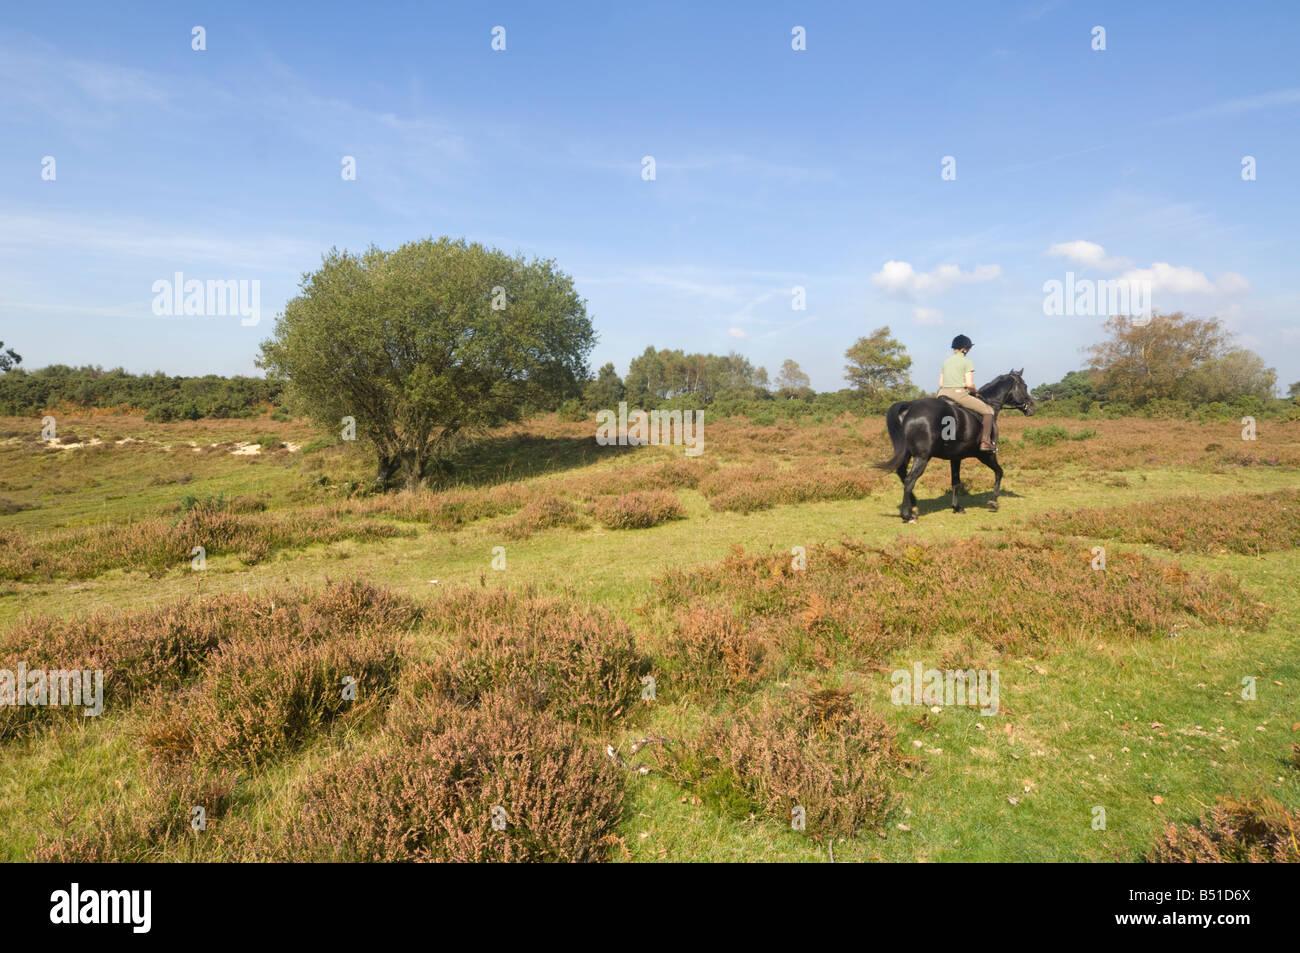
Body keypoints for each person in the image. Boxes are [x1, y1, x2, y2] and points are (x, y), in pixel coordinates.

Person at [938, 334, 996, 452]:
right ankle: (985, 442)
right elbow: (969, 384)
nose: (968, 351)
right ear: (964, 349)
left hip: (941, 393)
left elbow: (940, 383)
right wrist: (976, 392)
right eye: (968, 348)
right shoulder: (967, 361)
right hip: (958, 394)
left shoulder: (946, 362)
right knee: (989, 411)